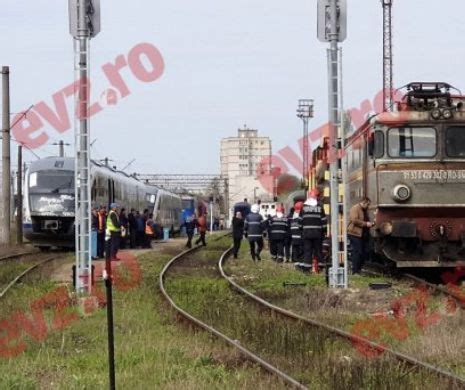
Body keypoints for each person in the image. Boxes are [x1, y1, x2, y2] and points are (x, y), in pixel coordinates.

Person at [301, 189, 327, 272]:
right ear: (317, 196)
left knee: (307, 250)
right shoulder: (320, 206)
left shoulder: (304, 207)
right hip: (317, 233)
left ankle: (307, 268)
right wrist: (324, 231)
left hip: (306, 233)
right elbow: (324, 220)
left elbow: (300, 221)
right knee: (318, 250)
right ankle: (321, 267)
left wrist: (302, 230)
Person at [348, 197, 373, 274]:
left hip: (362, 234)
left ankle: (359, 268)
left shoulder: (364, 210)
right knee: (357, 251)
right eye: (367, 204)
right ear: (364, 202)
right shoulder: (355, 208)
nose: (368, 206)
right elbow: (354, 220)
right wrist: (366, 224)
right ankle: (355, 270)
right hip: (355, 233)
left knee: (364, 251)